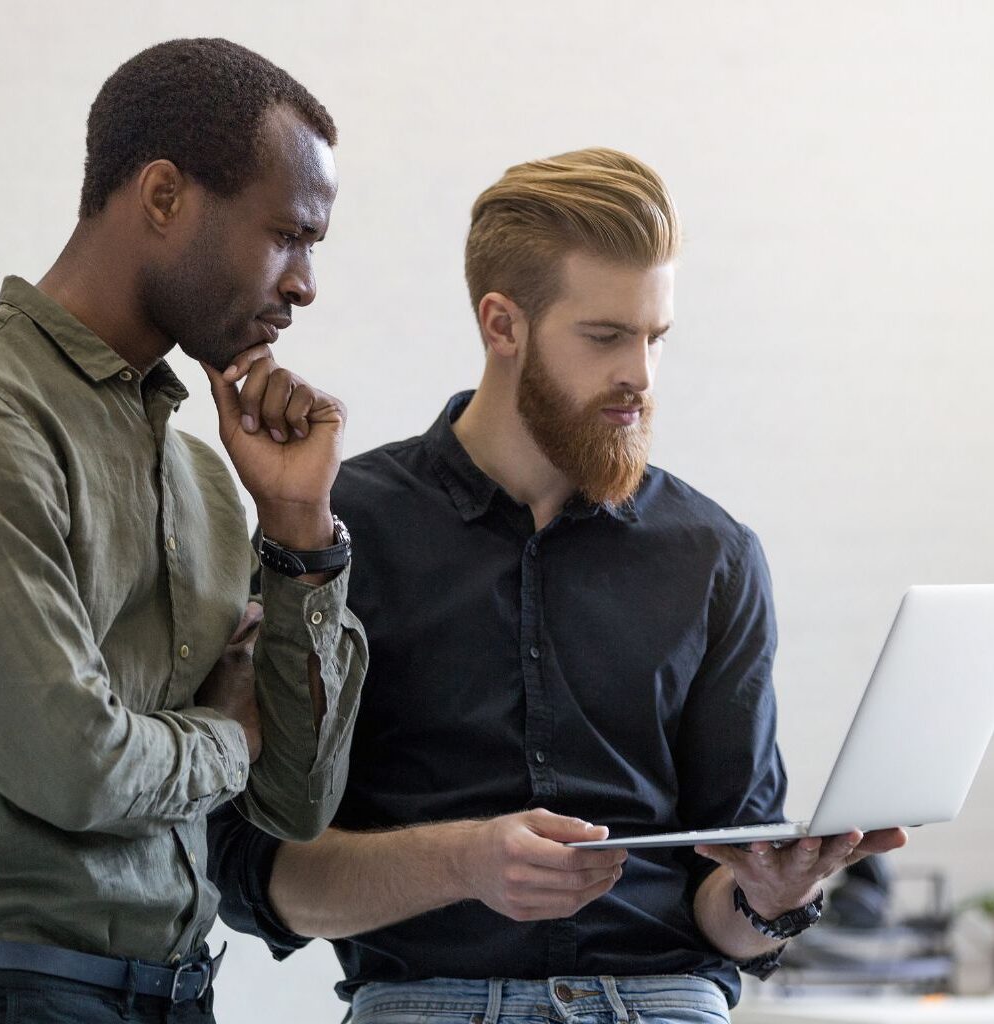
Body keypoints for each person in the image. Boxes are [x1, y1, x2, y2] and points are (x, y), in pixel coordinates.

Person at [208, 148, 906, 1023]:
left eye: (655, 337)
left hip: (663, 999)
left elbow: (725, 914)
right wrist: (462, 862)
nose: (641, 378)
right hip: (429, 1001)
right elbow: (252, 875)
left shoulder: (715, 554)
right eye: (607, 337)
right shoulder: (335, 530)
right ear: (503, 324)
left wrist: (772, 902)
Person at [0, 38, 366, 1023]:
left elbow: (292, 802)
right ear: (162, 197)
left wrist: (300, 534)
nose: (306, 283)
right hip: (16, 985)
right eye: (287, 234)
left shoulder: (202, 473)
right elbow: (73, 765)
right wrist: (228, 733)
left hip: (182, 989)